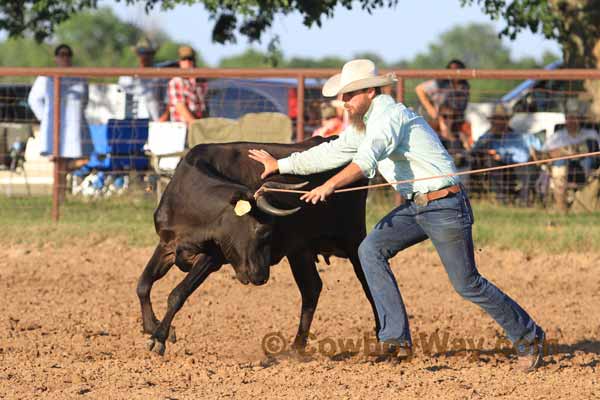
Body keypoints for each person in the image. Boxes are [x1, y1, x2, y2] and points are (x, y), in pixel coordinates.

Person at [249, 59, 545, 371]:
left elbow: (367, 160)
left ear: (370, 92)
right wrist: (280, 165)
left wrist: (330, 185)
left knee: (467, 283)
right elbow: (329, 152)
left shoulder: (390, 117)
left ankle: (529, 337)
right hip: (417, 206)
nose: (343, 102)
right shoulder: (363, 125)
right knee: (371, 249)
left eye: (349, 95)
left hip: (445, 205)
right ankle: (394, 338)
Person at [28, 44, 92, 161]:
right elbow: (34, 100)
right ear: (55, 58)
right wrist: (47, 118)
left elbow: (85, 100)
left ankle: (66, 174)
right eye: (62, 54)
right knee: (57, 161)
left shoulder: (80, 77)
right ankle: (61, 177)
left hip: (76, 127)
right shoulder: (46, 77)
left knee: (83, 159)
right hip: (54, 129)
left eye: (68, 54)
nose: (65, 57)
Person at [471, 104, 541, 206]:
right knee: (492, 162)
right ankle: (502, 199)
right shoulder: (487, 137)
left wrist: (503, 155)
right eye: (495, 119)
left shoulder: (518, 136)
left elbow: (524, 155)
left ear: (507, 121)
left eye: (501, 119)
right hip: (497, 166)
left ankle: (524, 201)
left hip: (518, 165)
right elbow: (475, 150)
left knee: (530, 170)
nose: (498, 123)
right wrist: (490, 144)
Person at [541, 99, 600, 212]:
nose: (572, 121)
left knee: (588, 160)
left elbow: (596, 152)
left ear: (580, 119)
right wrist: (561, 152)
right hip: (564, 167)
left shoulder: (591, 134)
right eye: (569, 118)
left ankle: (584, 198)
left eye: (575, 117)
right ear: (565, 119)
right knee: (560, 162)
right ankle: (560, 205)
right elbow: (544, 153)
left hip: (585, 167)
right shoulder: (557, 136)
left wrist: (578, 151)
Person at [415, 59, 470, 146]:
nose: (455, 73)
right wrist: (431, 109)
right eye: (452, 70)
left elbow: (461, 107)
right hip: (435, 116)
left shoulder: (464, 86)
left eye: (458, 70)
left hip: (453, 118)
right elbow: (419, 89)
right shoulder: (441, 82)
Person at [118, 37, 167, 121]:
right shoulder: (128, 77)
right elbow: (120, 97)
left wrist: (164, 117)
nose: (144, 57)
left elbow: (168, 100)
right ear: (137, 55)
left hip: (156, 121)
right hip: (133, 122)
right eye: (141, 53)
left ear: (152, 55)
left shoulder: (161, 75)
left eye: (148, 53)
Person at [167, 46, 208, 125]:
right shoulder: (176, 81)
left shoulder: (200, 82)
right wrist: (196, 126)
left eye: (190, 59)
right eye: (184, 59)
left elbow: (204, 107)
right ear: (180, 62)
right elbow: (180, 107)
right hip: (182, 127)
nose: (187, 62)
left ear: (194, 61)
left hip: (198, 126)